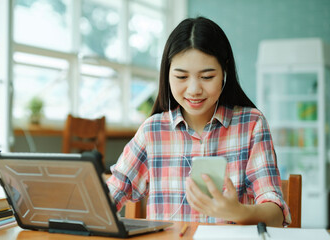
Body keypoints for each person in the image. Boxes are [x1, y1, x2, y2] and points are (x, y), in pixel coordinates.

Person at [106, 16, 290, 227]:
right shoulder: (152, 130)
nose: (194, 89)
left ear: (224, 72)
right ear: (167, 74)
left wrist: (238, 212)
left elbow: (276, 214)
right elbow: (115, 190)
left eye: (207, 76)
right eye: (182, 77)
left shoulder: (252, 125)